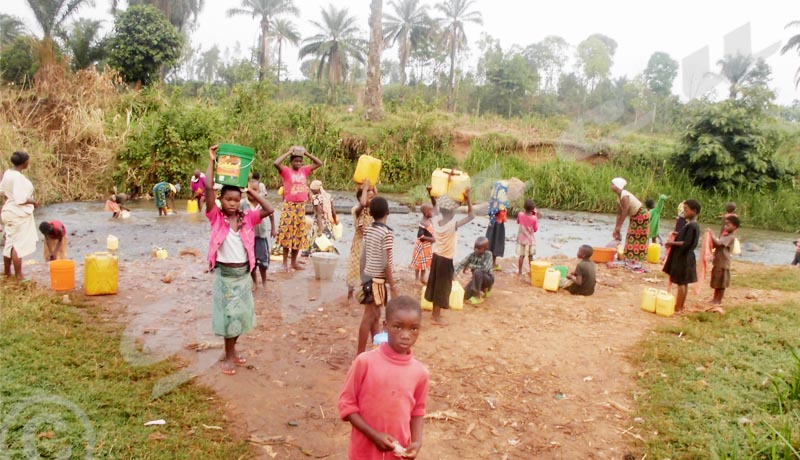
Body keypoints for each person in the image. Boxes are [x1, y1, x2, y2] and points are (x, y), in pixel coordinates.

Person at [204, 145, 275, 375]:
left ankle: (232, 353)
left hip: (242, 274)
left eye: (236, 199)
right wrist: (212, 161)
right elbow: (207, 188)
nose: (232, 203)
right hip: (225, 275)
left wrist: (250, 191)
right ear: (221, 201)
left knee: (240, 316)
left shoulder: (246, 219)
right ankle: (227, 356)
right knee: (229, 317)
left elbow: (270, 208)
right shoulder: (216, 218)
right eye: (228, 199)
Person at [339, 296, 429, 460]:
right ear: (385, 327)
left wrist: (417, 441)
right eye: (398, 327)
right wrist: (373, 435)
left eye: (414, 329)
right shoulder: (364, 362)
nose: (406, 335)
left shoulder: (420, 373)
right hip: (364, 451)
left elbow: (418, 411)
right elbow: (347, 405)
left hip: (397, 452)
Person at [424, 190, 474, 326]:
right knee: (442, 287)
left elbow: (435, 208)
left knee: (435, 284)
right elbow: (471, 216)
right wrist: (468, 199)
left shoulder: (436, 220)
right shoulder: (452, 225)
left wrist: (432, 195)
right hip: (446, 259)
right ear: (452, 213)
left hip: (436, 257)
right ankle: (436, 316)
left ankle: (435, 313)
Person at [357, 197, 397, 354]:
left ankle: (377, 349)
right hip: (378, 280)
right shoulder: (387, 233)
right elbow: (386, 262)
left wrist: (362, 277)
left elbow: (363, 257)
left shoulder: (368, 230)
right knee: (369, 316)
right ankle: (359, 355)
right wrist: (392, 286)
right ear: (388, 212)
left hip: (368, 276)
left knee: (375, 315)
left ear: (371, 213)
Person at [273, 146, 322, 271]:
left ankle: (294, 262)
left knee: (298, 234)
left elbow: (319, 163)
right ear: (291, 162)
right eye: (296, 161)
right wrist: (288, 152)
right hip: (289, 205)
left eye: (300, 161)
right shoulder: (286, 171)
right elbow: (276, 163)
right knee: (287, 233)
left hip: (301, 206)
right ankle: (285, 262)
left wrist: (307, 153)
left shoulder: (304, 170)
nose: (298, 163)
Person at [0, 151, 38, 281]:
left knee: (9, 243)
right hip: (18, 213)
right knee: (18, 245)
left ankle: (7, 273)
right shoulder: (18, 178)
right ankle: (19, 276)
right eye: (28, 160)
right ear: (24, 163)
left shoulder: (8, 173)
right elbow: (20, 199)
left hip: (8, 211)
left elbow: (4, 192)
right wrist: (34, 201)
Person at [662, 199, 701, 313]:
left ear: (694, 211)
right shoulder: (691, 225)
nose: (684, 212)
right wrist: (677, 235)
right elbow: (685, 238)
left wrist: (671, 243)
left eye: (686, 210)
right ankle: (680, 305)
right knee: (683, 283)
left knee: (681, 283)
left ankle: (678, 307)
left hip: (684, 257)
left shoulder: (692, 226)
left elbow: (686, 243)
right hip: (685, 257)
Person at [241, 178, 277, 293]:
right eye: (250, 190)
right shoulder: (243, 204)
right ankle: (255, 282)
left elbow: (271, 214)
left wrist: (273, 228)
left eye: (255, 190)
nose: (252, 193)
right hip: (248, 238)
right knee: (250, 262)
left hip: (261, 236)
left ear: (259, 191)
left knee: (262, 262)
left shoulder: (262, 203)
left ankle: (264, 281)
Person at [347, 180, 376, 302]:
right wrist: (364, 188)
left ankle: (366, 292)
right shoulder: (357, 209)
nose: (370, 195)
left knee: (369, 269)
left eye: (371, 193)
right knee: (354, 268)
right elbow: (363, 203)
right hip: (359, 243)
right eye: (366, 193)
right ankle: (349, 295)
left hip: (371, 244)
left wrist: (373, 187)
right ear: (360, 197)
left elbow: (376, 199)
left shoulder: (374, 210)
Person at [611, 177, 650, 268]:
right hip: (634, 216)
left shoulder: (624, 196)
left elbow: (625, 211)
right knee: (631, 236)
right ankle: (630, 258)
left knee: (636, 237)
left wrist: (619, 226)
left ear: (617, 186)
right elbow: (619, 214)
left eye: (613, 184)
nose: (611, 186)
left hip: (641, 215)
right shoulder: (619, 197)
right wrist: (616, 228)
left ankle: (636, 260)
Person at [707, 215, 739, 305]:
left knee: (721, 284)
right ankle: (715, 298)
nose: (725, 226)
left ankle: (718, 300)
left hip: (723, 263)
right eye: (725, 225)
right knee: (717, 282)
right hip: (718, 261)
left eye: (728, 225)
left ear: (735, 227)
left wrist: (711, 234)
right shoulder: (725, 235)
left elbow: (718, 243)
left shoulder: (731, 237)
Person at [455, 236, 494, 305]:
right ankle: (481, 289)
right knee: (464, 295)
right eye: (475, 247)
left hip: (488, 280)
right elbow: (461, 264)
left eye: (479, 249)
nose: (476, 250)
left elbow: (484, 268)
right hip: (477, 281)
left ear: (485, 249)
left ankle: (477, 296)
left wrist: (470, 266)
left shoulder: (489, 255)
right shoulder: (472, 255)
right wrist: (454, 274)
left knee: (477, 271)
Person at [309, 179, 338, 253]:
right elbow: (333, 211)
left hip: (319, 223)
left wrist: (320, 230)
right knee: (327, 242)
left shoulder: (315, 198)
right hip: (328, 222)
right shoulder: (328, 196)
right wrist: (335, 221)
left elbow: (319, 214)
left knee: (316, 242)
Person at [485, 181, 509, 270]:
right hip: (498, 225)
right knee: (496, 243)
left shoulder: (493, 202)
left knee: (489, 241)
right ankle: (493, 264)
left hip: (492, 224)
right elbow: (503, 216)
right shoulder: (501, 205)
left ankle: (488, 262)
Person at [410, 203, 435, 285]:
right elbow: (420, 236)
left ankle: (422, 277)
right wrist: (431, 239)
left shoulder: (430, 221)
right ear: (426, 213)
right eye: (431, 211)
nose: (433, 212)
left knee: (425, 263)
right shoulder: (423, 222)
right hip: (422, 245)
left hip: (427, 246)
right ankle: (416, 279)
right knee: (419, 263)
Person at [516, 199, 538, 276]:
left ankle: (519, 271)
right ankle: (531, 271)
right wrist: (535, 215)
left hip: (521, 239)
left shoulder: (520, 214)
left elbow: (518, 222)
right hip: (530, 240)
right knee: (530, 256)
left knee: (521, 256)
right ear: (533, 209)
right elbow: (535, 229)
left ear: (524, 207)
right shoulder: (534, 218)